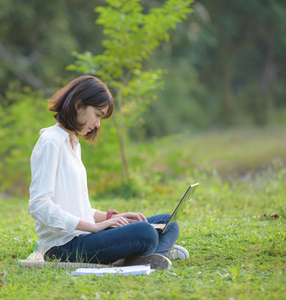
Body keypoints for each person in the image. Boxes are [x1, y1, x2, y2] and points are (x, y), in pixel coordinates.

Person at [28, 75, 188, 270]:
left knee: (168, 223)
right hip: (63, 248)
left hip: (85, 236)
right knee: (145, 232)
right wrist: (95, 227)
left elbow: (80, 209)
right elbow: (39, 205)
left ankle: (144, 256)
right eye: (97, 114)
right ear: (79, 105)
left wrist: (110, 218)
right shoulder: (51, 141)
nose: (98, 124)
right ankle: (151, 254)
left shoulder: (72, 143)